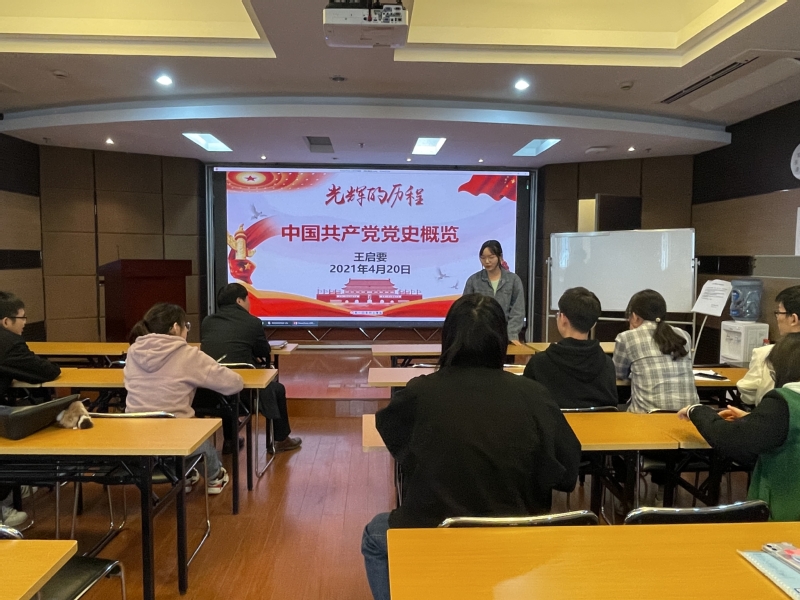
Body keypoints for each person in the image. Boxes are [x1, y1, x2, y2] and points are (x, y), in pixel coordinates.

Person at [361, 294, 581, 600]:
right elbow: (568, 475)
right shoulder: (534, 395)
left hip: (436, 536)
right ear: (501, 340)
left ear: (449, 338)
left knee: (374, 536)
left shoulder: (420, 393)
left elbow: (396, 443)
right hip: (520, 540)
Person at [124, 303, 244, 495]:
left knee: (177, 429)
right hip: (176, 437)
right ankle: (215, 477)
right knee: (198, 435)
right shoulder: (187, 354)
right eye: (186, 326)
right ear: (175, 327)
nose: (187, 330)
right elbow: (233, 384)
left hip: (134, 436)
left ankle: (182, 474)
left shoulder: (133, 351)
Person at [679, 332, 800, 521]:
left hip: (786, 518)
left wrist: (696, 410)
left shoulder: (784, 402)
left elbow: (729, 440)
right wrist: (755, 420)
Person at [201, 284, 301, 454]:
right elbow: (263, 351)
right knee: (277, 388)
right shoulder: (252, 322)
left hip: (210, 393)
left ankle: (230, 440)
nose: (249, 303)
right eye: (248, 299)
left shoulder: (207, 322)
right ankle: (281, 440)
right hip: (245, 394)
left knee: (225, 378)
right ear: (239, 301)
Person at [0, 291, 61, 527]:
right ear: (6, 321)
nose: (25, 322)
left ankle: (13, 487)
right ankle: (6, 500)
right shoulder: (8, 344)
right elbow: (46, 371)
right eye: (22, 317)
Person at [523, 287, 617, 409]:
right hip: (600, 422)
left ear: (563, 318)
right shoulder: (607, 364)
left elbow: (526, 405)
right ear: (593, 324)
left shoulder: (539, 363)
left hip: (554, 422)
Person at [613, 289, 697, 413]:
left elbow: (618, 373)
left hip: (647, 416)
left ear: (635, 316)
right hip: (688, 415)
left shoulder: (626, 337)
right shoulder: (683, 335)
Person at [736, 285, 800, 406]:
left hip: (773, 416)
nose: (777, 317)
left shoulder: (766, 354)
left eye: (779, 312)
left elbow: (747, 394)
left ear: (793, 319)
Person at [463, 240, 525, 344]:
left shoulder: (513, 280)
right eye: (483, 258)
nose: (487, 261)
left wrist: (511, 334)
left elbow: (518, 311)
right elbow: (465, 309)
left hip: (504, 335)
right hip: (477, 335)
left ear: (500, 257)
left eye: (491, 257)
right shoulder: (473, 280)